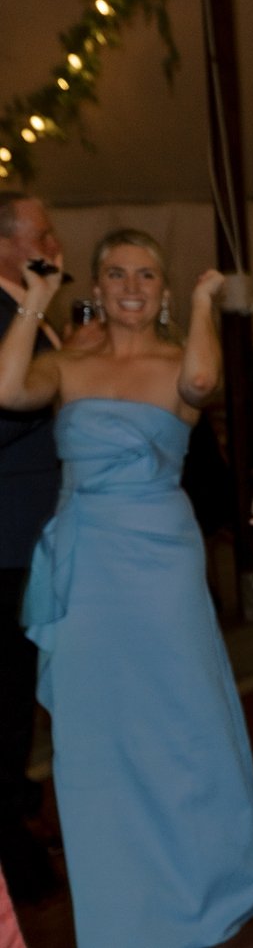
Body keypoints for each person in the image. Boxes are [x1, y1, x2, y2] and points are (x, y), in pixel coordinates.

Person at [0, 228, 253, 946]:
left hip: (161, 567)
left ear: (163, 288)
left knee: (180, 727)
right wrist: (32, 300)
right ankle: (120, 906)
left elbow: (202, 385)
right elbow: (6, 387)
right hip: (87, 568)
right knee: (95, 738)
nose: (130, 285)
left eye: (146, 275)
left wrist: (206, 302)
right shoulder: (66, 364)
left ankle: (199, 891)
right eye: (116, 273)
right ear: (95, 285)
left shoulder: (180, 359)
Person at [0, 193, 60, 905]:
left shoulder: (34, 311)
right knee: (9, 702)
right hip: (7, 542)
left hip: (37, 537)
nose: (55, 238)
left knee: (24, 700)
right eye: (42, 230)